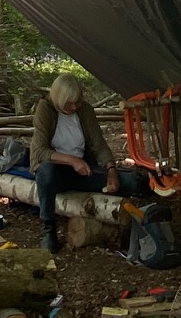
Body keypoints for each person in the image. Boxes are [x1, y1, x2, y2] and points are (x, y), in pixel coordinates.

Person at [29, 74, 118, 252]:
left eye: (77, 102)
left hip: (80, 170)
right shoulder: (45, 109)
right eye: (69, 103)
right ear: (59, 99)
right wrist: (71, 160)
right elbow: (39, 151)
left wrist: (111, 169)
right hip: (55, 171)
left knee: (127, 182)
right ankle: (49, 230)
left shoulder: (85, 111)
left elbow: (98, 143)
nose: (74, 107)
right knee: (46, 172)